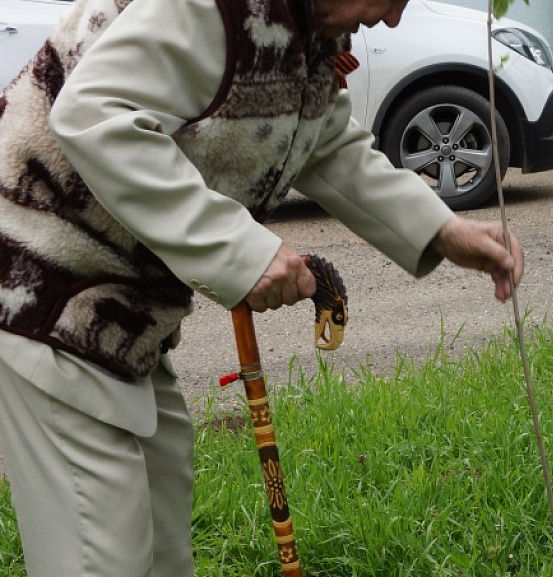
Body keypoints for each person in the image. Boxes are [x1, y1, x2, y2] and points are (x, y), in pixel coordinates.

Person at [0, 0, 524, 574]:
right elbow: (94, 113)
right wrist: (242, 251)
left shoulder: (301, 29)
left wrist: (444, 231)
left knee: (161, 546)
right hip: (40, 290)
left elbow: (324, 141)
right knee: (101, 556)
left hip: (125, 313)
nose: (394, 19)